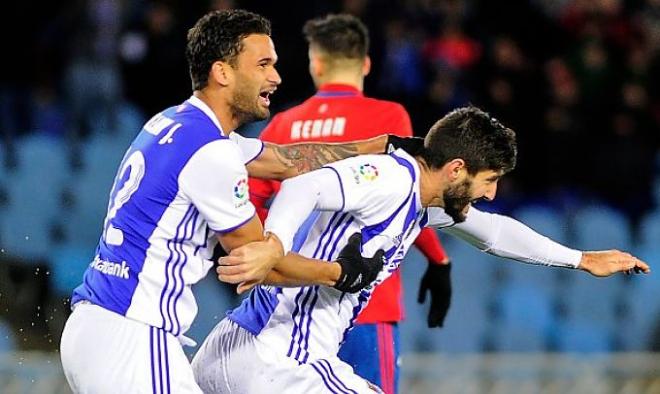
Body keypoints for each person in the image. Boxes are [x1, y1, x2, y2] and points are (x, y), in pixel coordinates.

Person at [59, 10, 407, 393]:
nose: (275, 77)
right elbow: (260, 262)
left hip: (93, 328)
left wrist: (376, 145)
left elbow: (283, 160)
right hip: (132, 336)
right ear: (222, 72)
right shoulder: (213, 154)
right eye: (262, 65)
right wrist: (340, 274)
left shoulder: (175, 123)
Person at [192, 106, 650, 393]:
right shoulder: (390, 178)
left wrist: (580, 259)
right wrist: (274, 245)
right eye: (488, 180)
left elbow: (493, 233)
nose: (490, 193)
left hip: (238, 349)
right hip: (281, 360)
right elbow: (305, 186)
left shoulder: (420, 203)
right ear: (455, 169)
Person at [247, 15, 451, 393]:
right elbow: (415, 196)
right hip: (367, 303)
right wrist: (438, 260)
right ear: (367, 64)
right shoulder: (388, 119)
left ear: (317, 64)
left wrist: (275, 262)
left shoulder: (284, 125)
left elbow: (250, 207)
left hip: (293, 307)